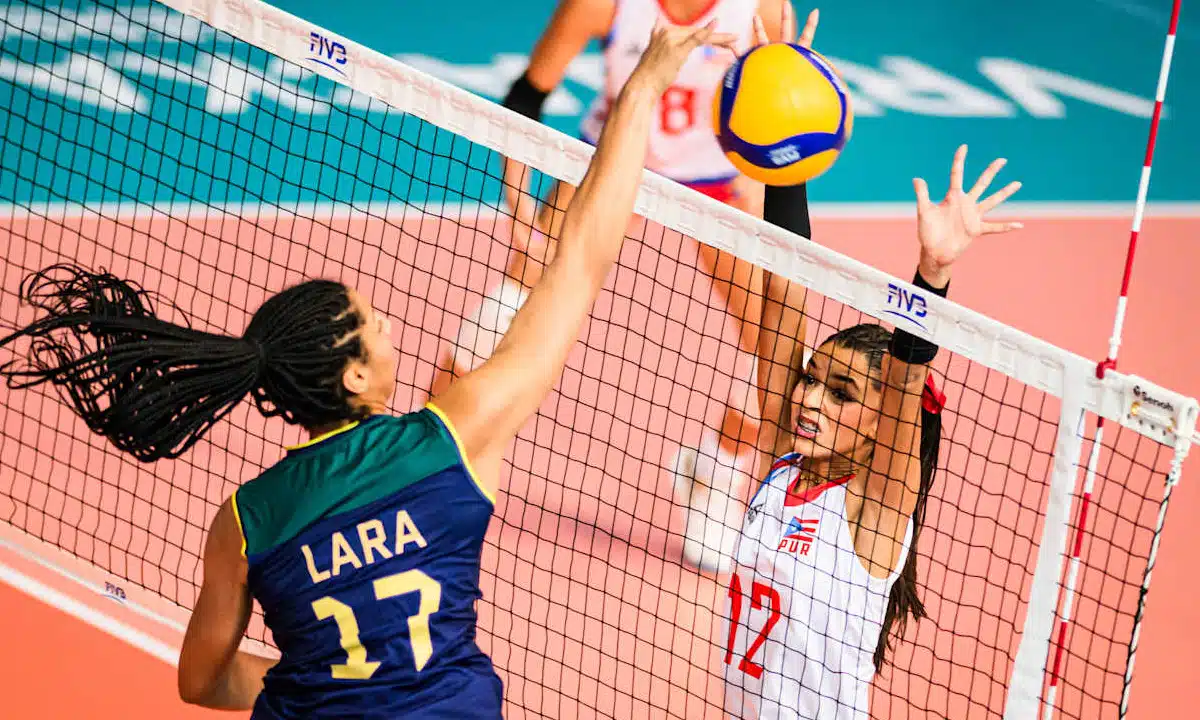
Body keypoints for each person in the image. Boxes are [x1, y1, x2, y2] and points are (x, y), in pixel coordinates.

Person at [0, 23, 737, 719]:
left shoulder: (246, 519)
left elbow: (203, 681)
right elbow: (580, 262)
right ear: (354, 377)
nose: (391, 330)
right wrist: (642, 87)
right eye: (374, 326)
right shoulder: (447, 443)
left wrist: (334, 680)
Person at [438, 1, 823, 513]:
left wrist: (756, 177)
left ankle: (713, 473)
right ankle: (434, 449)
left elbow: (777, 109)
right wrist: (518, 193)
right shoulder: (603, 4)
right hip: (611, 161)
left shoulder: (763, 10)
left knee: (774, 340)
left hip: (716, 182)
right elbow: (529, 93)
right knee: (517, 292)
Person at [717, 139, 1023, 720]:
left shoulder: (875, 504)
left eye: (841, 394)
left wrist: (932, 274)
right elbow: (783, 292)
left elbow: (907, 380)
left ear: (882, 423)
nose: (807, 400)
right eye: (810, 379)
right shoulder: (785, 463)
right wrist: (785, 151)